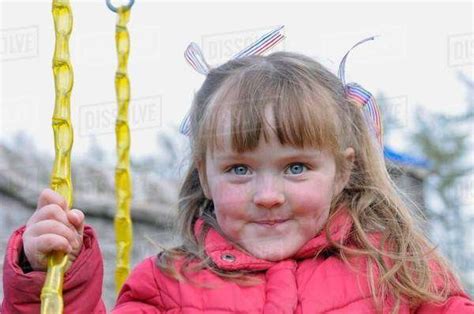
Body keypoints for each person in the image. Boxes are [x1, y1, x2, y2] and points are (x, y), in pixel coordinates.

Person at [2, 28, 473, 313]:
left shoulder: (396, 271)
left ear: (342, 171)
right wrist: (49, 281)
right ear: (205, 176)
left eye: (295, 166)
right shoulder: (168, 285)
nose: (267, 194)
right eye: (240, 170)